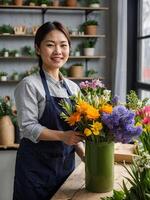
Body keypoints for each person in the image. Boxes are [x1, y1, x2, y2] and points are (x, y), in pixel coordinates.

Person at [13, 21, 85, 200]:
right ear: (38, 49)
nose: (58, 51)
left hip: (64, 170)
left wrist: (84, 155)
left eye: (63, 45)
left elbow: (74, 132)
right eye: (50, 45)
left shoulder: (73, 88)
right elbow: (28, 127)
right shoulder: (29, 84)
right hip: (34, 172)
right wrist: (63, 136)